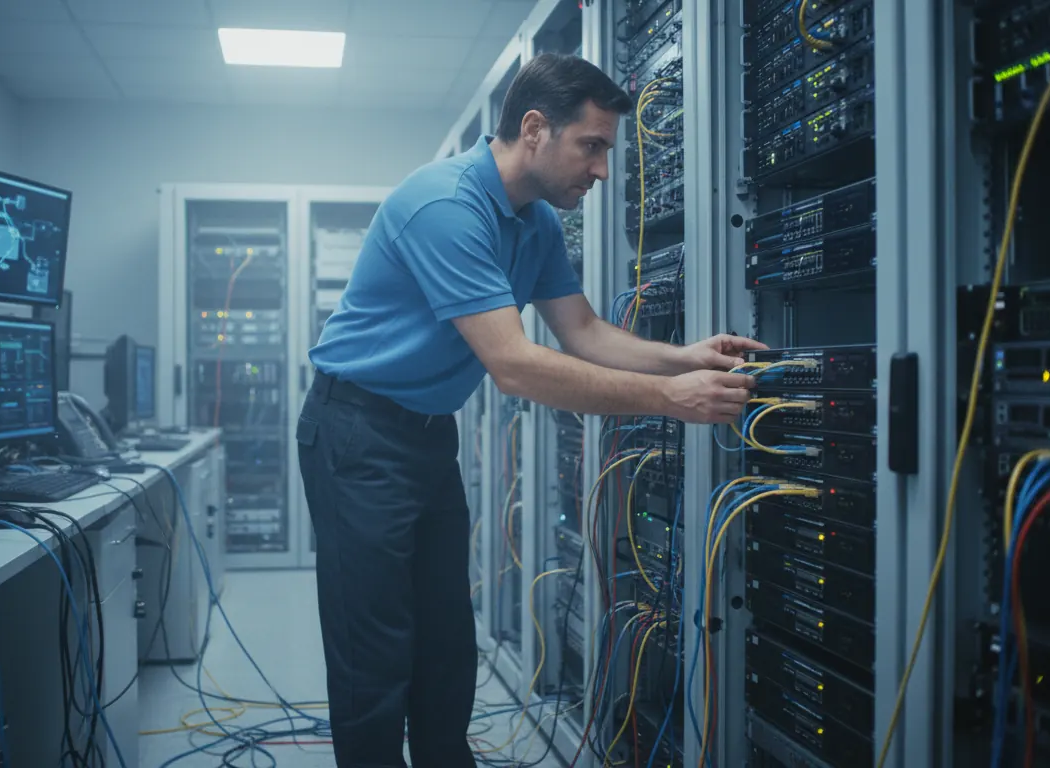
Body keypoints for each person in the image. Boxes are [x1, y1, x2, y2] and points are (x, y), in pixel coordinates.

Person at [297, 52, 764, 767]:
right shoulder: (445, 206)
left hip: (425, 437)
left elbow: (583, 333)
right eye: (594, 146)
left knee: (448, 644)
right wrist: (671, 399)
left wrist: (687, 358)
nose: (603, 170)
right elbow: (514, 365)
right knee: (376, 652)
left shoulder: (534, 221)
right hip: (355, 433)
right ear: (536, 130)